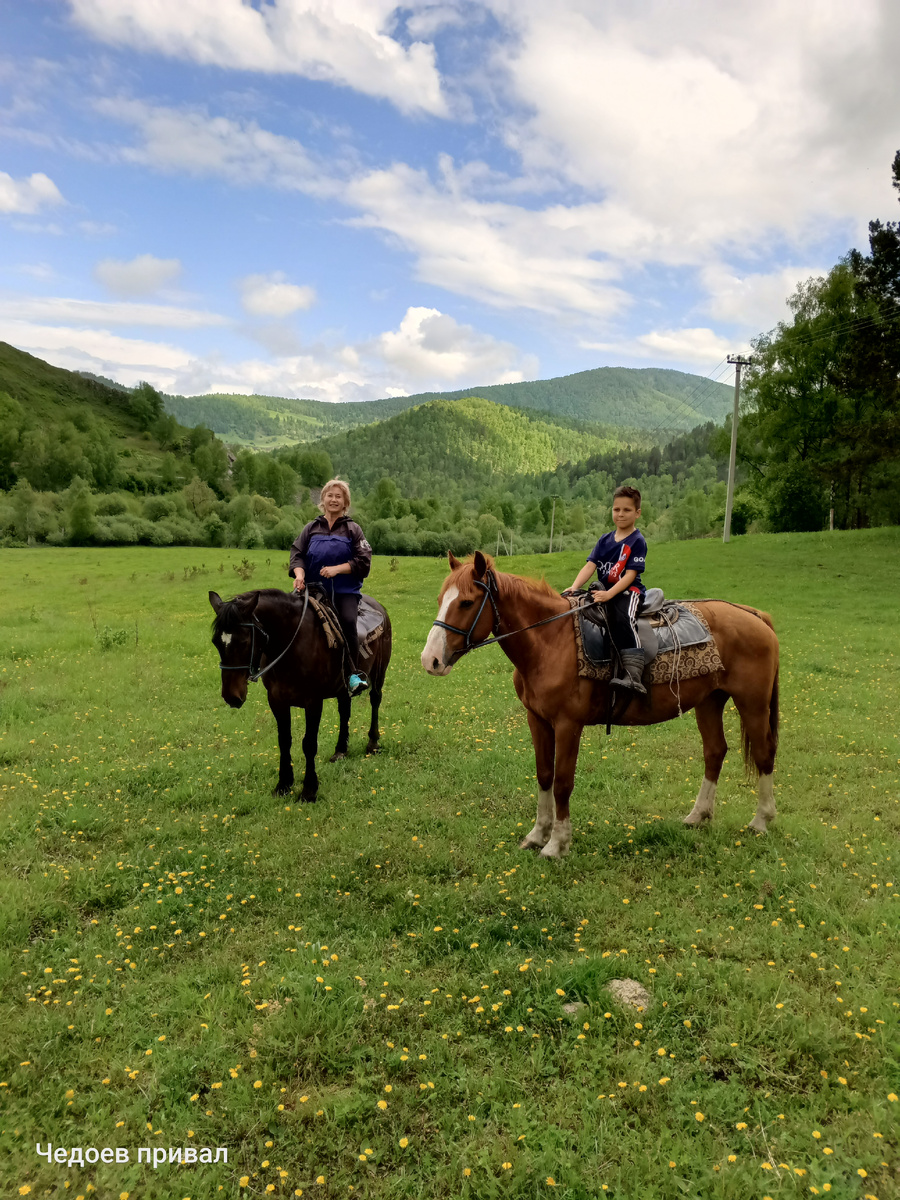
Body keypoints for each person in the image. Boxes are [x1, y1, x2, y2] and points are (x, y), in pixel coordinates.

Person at [289, 478, 372, 696]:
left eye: (339, 496)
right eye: (329, 495)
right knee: (285, 616)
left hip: (344, 592)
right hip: (312, 590)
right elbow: (297, 554)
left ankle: (353, 674)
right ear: (322, 500)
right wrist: (299, 575)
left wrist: (338, 569)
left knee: (347, 621)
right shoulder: (311, 528)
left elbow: (364, 561)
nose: (333, 499)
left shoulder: (353, 529)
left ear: (345, 503)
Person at [565, 485, 648, 693]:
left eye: (627, 510)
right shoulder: (604, 539)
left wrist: (610, 594)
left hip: (629, 592)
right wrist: (575, 587)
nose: (620, 514)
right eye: (616, 509)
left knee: (624, 617)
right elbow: (590, 565)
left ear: (637, 513)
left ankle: (633, 674)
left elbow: (630, 575)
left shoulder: (637, 541)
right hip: (603, 590)